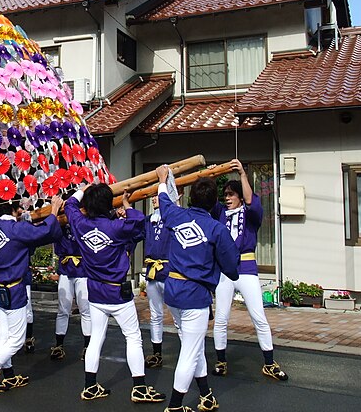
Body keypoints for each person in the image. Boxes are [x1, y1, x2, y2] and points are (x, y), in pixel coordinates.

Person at [63, 185, 164, 404]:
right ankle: (139, 388)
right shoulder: (116, 227)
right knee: (133, 337)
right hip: (117, 292)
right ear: (109, 204)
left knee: (96, 338)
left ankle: (90, 386)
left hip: (95, 290)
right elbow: (139, 223)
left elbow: (69, 204)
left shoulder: (80, 224)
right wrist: (126, 204)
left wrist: (82, 190)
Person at [155, 165, 239, 412]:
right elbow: (232, 269)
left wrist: (162, 179)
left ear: (190, 198)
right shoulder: (217, 229)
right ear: (215, 204)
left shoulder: (176, 216)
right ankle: (175, 406)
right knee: (190, 351)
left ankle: (206, 394)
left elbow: (163, 200)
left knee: (194, 344)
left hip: (172, 291)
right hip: (195, 295)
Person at [211, 159, 288, 381]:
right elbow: (210, 200)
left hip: (246, 268)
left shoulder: (250, 214)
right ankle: (221, 360)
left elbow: (251, 200)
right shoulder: (220, 215)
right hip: (225, 271)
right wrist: (216, 174)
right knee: (221, 318)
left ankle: (269, 362)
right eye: (225, 195)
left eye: (231, 195)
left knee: (258, 316)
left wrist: (243, 174)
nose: (227, 198)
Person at [0, 198, 61, 392]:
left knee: (5, 335)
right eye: (19, 208)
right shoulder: (17, 229)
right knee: (16, 339)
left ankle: (9, 375)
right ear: (14, 210)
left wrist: (24, 219)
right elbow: (46, 231)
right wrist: (54, 210)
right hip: (14, 288)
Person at [49, 219, 91, 361]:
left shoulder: (84, 220)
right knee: (63, 309)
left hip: (82, 270)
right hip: (66, 269)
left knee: (85, 310)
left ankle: (88, 346)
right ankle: (59, 345)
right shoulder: (60, 223)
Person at [142, 196, 171, 369]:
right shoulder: (148, 220)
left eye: (157, 196)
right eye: (152, 197)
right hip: (153, 272)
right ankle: (157, 352)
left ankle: (189, 351)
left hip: (169, 271)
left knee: (178, 315)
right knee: (155, 315)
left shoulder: (173, 217)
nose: (154, 200)